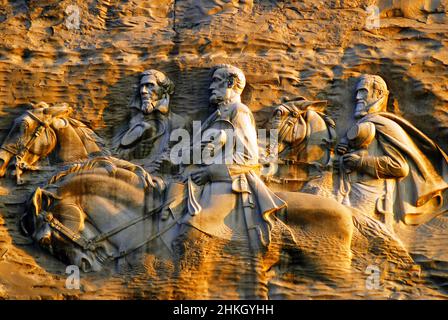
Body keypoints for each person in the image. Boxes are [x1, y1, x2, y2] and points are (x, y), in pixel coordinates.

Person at [161, 64, 286, 252]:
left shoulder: (239, 111)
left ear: (231, 83)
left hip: (227, 182)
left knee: (191, 229)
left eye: (216, 81)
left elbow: (249, 157)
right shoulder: (217, 115)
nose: (211, 87)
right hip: (198, 181)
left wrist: (211, 172)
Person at [336, 74, 448, 226]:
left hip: (371, 199)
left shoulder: (384, 125)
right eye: (357, 93)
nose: (357, 97)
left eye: (363, 92)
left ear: (379, 94)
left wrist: (361, 162)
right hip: (348, 190)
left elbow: (399, 167)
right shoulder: (366, 124)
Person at [115, 70, 185, 173]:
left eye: (149, 85)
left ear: (163, 91)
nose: (143, 91)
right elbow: (116, 155)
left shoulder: (178, 123)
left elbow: (186, 159)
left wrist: (170, 165)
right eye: (142, 86)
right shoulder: (133, 121)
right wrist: (135, 151)